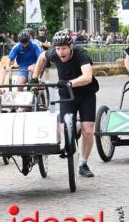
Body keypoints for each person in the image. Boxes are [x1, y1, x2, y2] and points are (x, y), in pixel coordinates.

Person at [31, 29, 99, 178]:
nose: (60, 52)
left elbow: (87, 77)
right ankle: (76, 126)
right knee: (64, 129)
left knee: (88, 130)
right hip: (67, 95)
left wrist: (69, 83)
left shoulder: (81, 54)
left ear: (71, 46)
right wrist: (34, 78)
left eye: (64, 48)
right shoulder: (54, 53)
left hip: (86, 94)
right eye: (58, 48)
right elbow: (42, 57)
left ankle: (83, 163)